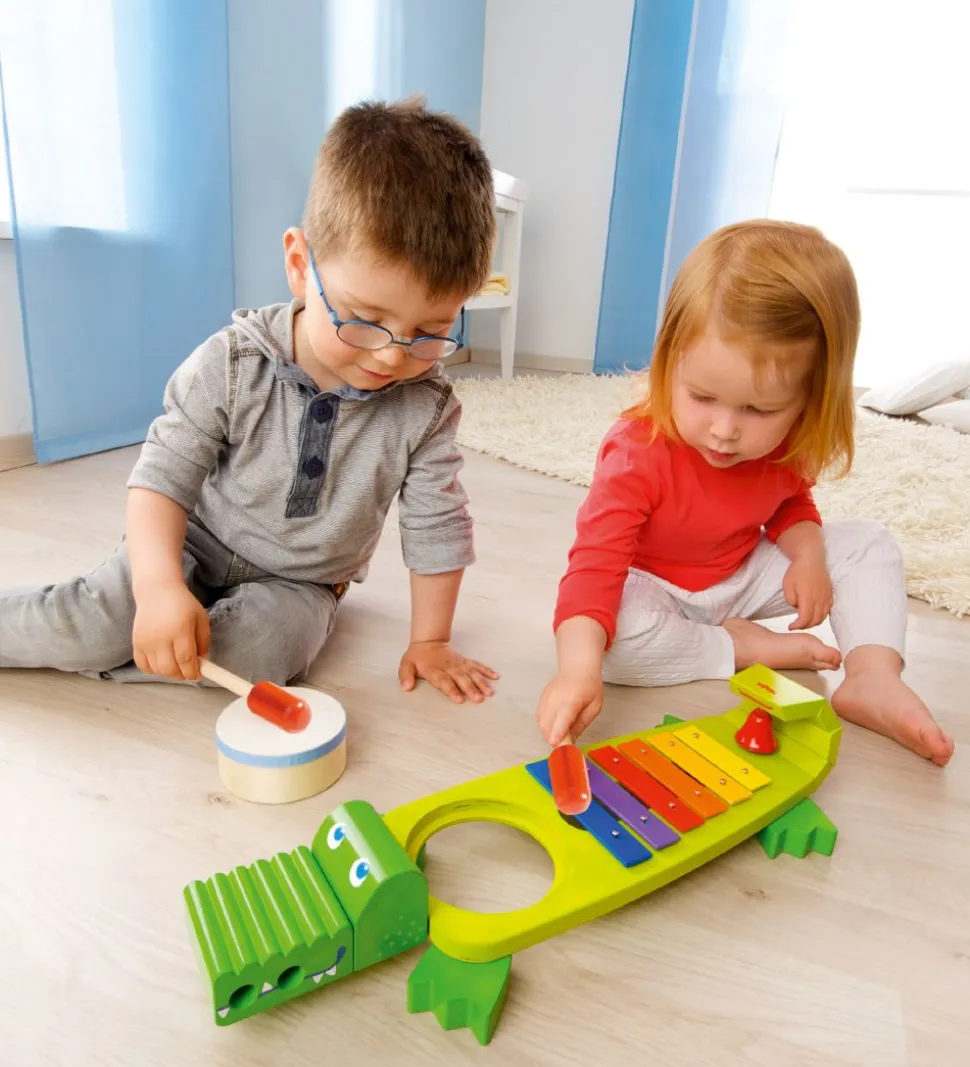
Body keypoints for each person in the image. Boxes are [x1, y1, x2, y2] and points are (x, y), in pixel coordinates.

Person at [0, 97, 500, 705]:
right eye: (366, 320)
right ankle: (101, 636)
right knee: (100, 620)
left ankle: (128, 652)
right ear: (300, 265)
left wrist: (431, 641)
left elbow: (436, 525)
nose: (393, 355)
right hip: (191, 540)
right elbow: (160, 478)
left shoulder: (427, 409)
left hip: (302, 584)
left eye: (430, 332)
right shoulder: (233, 363)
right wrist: (158, 587)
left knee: (263, 652)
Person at [536, 220, 953, 766]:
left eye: (759, 409)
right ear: (669, 363)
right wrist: (576, 671)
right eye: (702, 396)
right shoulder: (637, 453)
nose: (725, 431)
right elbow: (594, 568)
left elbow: (791, 503)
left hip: (739, 573)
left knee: (869, 544)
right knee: (610, 644)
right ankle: (741, 647)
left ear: (810, 399)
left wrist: (809, 557)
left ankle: (872, 676)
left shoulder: (787, 441)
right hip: (653, 586)